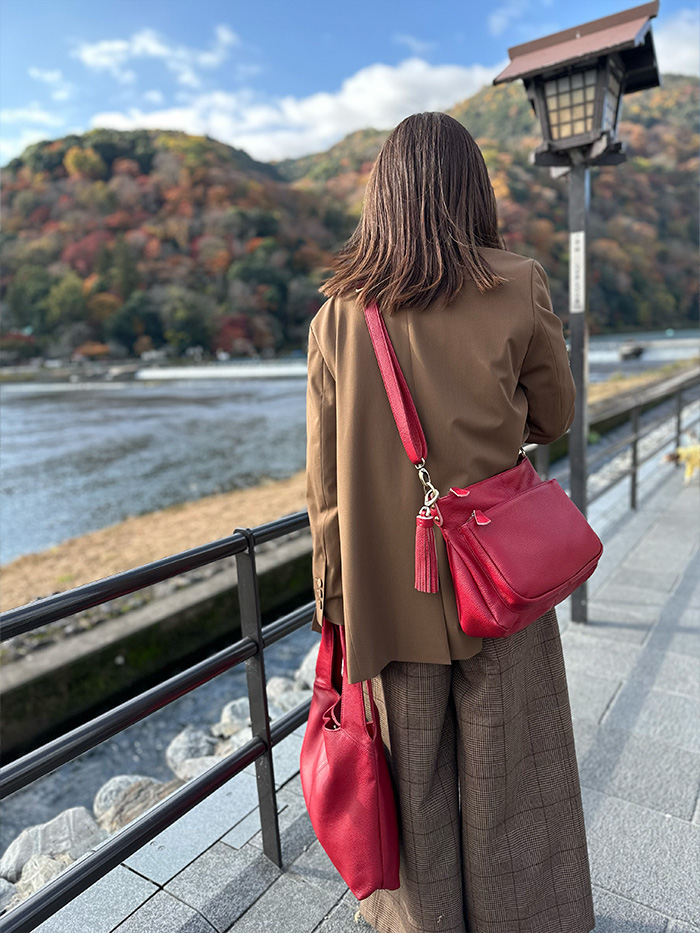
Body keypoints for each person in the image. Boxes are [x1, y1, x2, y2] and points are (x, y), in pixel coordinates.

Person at [304, 111, 595, 933]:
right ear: (474, 191)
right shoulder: (518, 282)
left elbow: (324, 493)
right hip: (497, 582)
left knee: (412, 797)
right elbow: (557, 413)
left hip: (385, 602)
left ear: (382, 197)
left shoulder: (336, 317)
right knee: (515, 786)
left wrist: (331, 605)